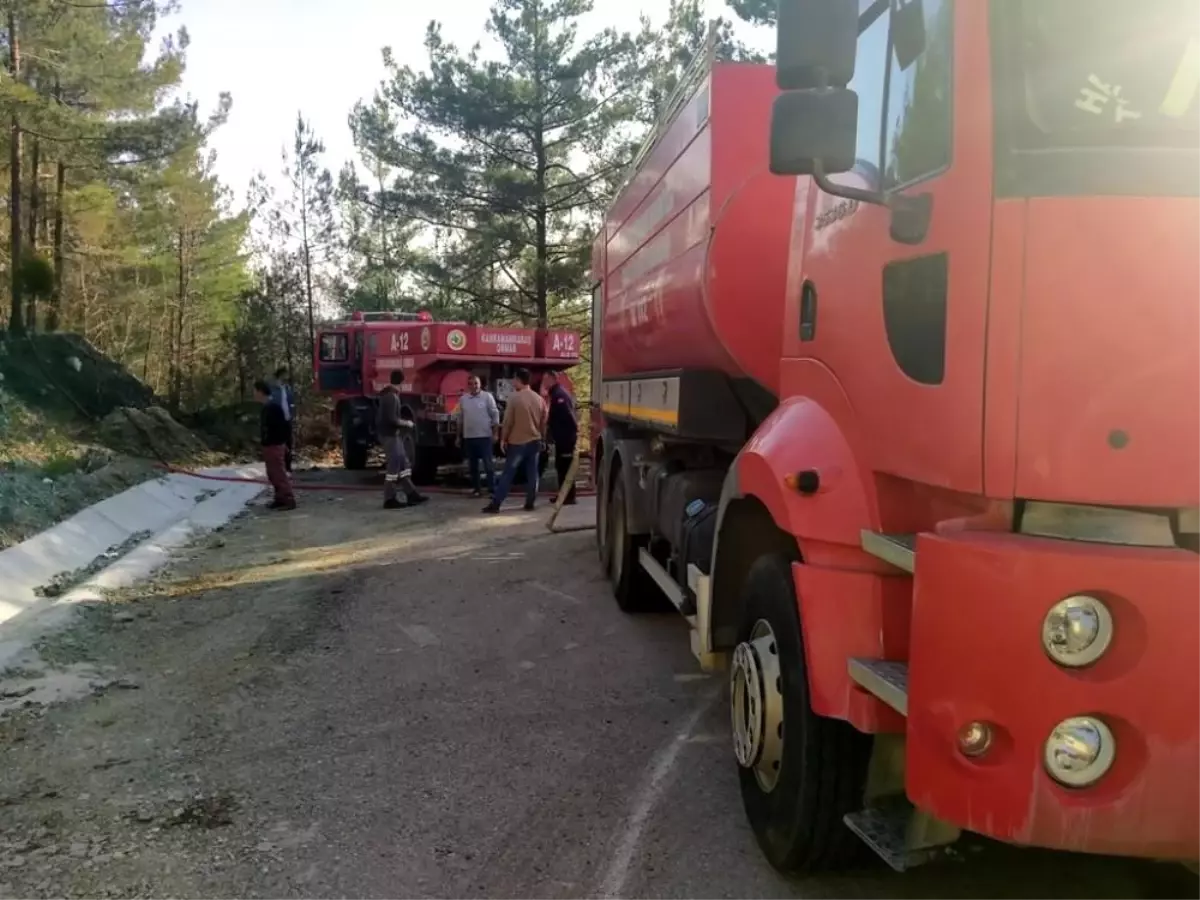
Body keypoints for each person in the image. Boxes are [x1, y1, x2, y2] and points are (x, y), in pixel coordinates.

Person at [482, 368, 544, 514]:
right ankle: (530, 502)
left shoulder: (514, 398)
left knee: (508, 473)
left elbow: (508, 421)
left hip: (518, 443)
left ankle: (496, 503)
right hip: (535, 440)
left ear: (519, 380)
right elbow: (543, 421)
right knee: (532, 474)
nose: (513, 382)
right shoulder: (538, 398)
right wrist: (542, 437)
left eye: (514, 379)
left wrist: (503, 439)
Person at [376, 384, 429, 509]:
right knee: (394, 467)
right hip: (390, 436)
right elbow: (392, 419)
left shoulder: (388, 397)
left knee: (403, 465)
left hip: (394, 436)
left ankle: (411, 494)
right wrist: (407, 423)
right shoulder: (392, 398)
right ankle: (389, 498)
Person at [455, 374, 500, 497]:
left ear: (480, 384)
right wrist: (458, 437)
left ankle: (492, 489)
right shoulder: (463, 399)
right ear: (467, 385)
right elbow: (460, 419)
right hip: (469, 437)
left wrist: (495, 433)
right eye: (471, 384)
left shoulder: (487, 397)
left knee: (488, 465)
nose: (473, 386)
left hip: (485, 436)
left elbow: (495, 415)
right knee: (473, 466)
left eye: (476, 383)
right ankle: (477, 489)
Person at [254, 379, 295, 511]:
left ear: (261, 392)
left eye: (255, 392)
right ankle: (279, 498)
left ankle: (288, 499)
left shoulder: (274, 407)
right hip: (269, 445)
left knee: (279, 473)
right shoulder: (267, 407)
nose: (254, 395)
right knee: (272, 474)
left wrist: (281, 443)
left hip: (275, 445)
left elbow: (283, 427)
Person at [543, 371, 578, 505]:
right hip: (562, 438)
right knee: (561, 467)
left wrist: (568, 438)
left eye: (546, 380)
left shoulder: (560, 396)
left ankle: (569, 497)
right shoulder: (556, 394)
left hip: (566, 439)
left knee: (565, 468)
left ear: (553, 379)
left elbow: (569, 418)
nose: (544, 384)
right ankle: (564, 495)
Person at [270, 366, 296, 472]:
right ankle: (277, 467)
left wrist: (292, 414)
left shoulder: (287, 388)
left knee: (288, 444)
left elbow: (291, 402)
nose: (286, 377)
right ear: (279, 376)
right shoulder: (272, 390)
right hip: (277, 421)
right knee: (277, 444)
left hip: (287, 419)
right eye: (284, 374)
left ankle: (288, 467)